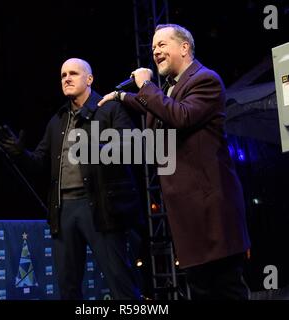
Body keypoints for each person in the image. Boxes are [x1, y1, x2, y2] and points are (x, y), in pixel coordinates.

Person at [98, 24, 251, 300]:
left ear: (184, 47)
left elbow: (180, 115)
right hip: (188, 215)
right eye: (153, 47)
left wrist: (145, 84)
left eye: (162, 44)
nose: (155, 51)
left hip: (212, 213)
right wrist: (122, 96)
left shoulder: (205, 80)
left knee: (225, 290)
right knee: (201, 290)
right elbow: (157, 109)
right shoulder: (171, 88)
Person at [0, 58, 142, 300]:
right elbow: (39, 162)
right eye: (63, 75)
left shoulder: (109, 109)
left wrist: (97, 148)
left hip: (100, 206)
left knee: (120, 283)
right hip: (64, 210)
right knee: (68, 286)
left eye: (73, 73)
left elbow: (133, 145)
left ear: (89, 79)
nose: (67, 78)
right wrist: (21, 154)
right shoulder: (58, 119)